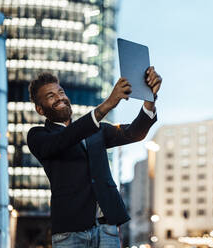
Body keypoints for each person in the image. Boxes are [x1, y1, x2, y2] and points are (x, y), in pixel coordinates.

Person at [26, 67, 162, 247]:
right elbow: (65, 139)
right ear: (40, 109)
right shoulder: (39, 136)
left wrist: (149, 100)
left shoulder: (95, 129)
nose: (60, 97)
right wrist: (109, 103)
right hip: (70, 232)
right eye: (51, 96)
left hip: (107, 229)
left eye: (61, 92)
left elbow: (133, 133)